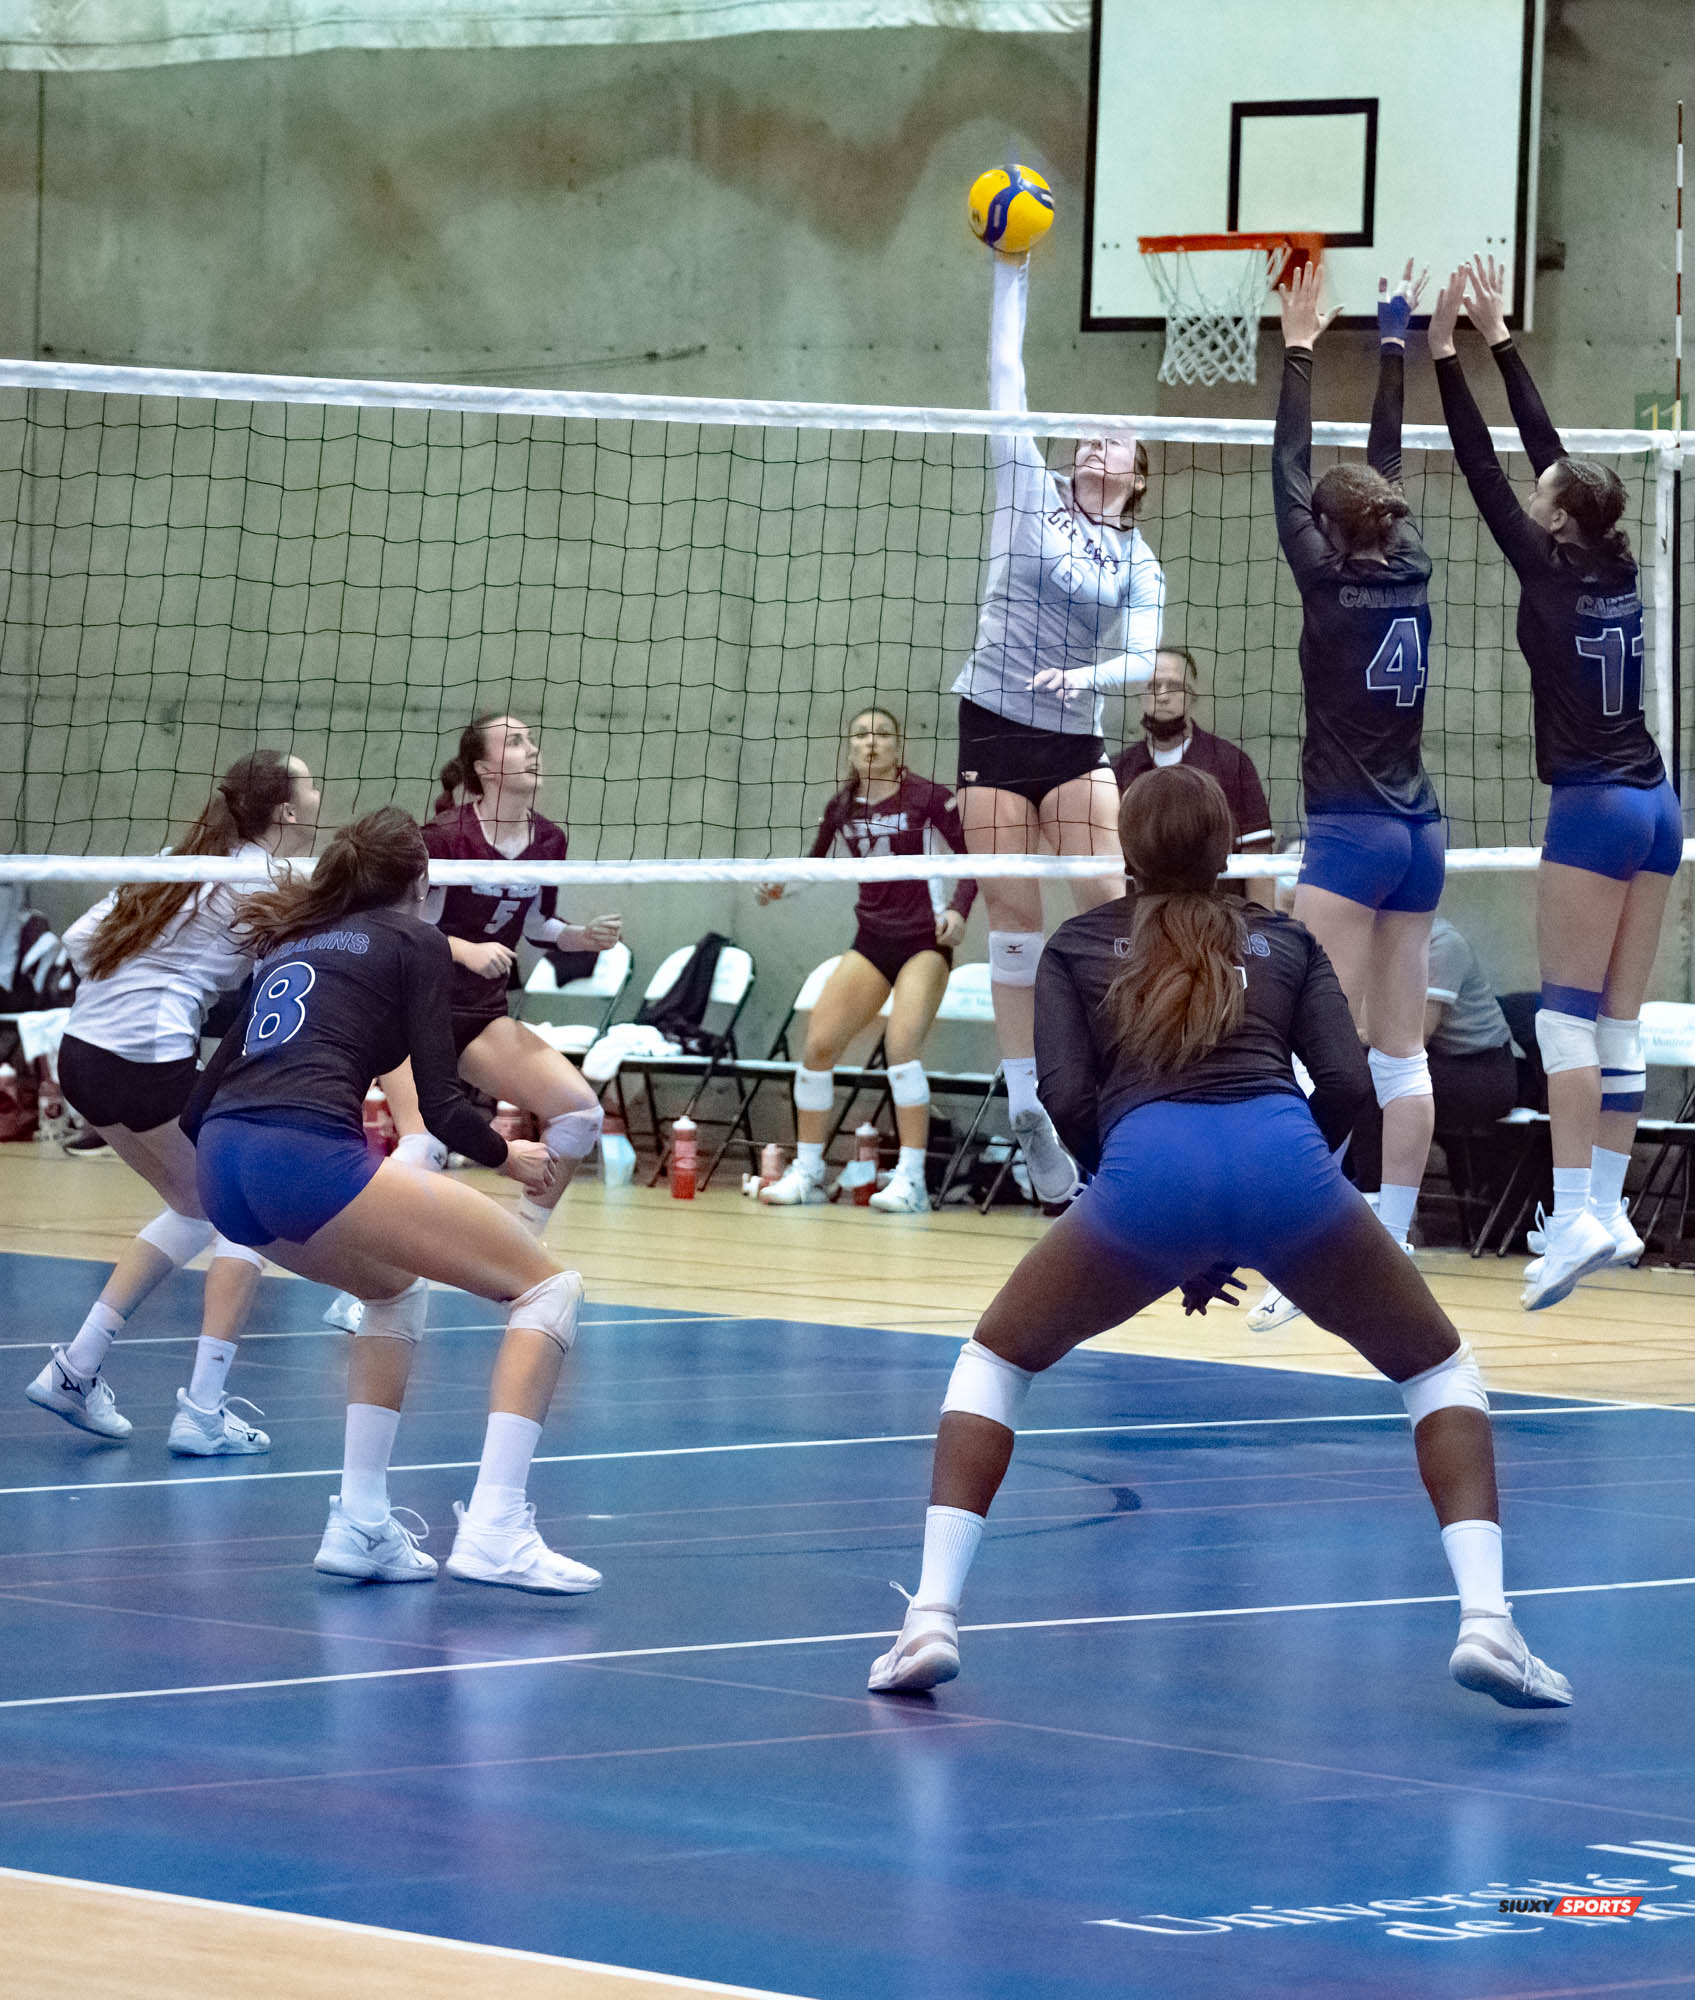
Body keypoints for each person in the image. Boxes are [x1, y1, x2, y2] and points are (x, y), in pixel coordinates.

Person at [865, 764, 1569, 1712]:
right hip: (1286, 1159)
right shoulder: (1283, 938)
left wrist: (1153, 1217)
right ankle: (1488, 1624)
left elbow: (1065, 1097)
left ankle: (930, 1623)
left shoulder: (1077, 944)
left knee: (995, 1360)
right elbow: (1351, 1088)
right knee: (1437, 1370)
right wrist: (1278, 1215)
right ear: (1229, 849)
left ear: (1123, 852)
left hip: (1144, 1170)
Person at [186, 806, 600, 1593]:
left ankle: (363, 1524)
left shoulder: (293, 943)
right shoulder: (414, 939)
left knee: (393, 1291)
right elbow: (442, 1106)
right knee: (548, 1289)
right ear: (423, 881)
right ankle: (495, 1529)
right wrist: (506, 1154)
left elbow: (197, 1104)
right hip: (299, 1155)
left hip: (221, 1165)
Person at [1428, 255, 1682, 1309]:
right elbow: (1546, 457)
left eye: (1545, 499)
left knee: (1566, 1023)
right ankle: (1611, 1205)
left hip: (1592, 805)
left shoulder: (1545, 563)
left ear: (1558, 521)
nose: (1533, 495)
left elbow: (1490, 459)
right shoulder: (1616, 562)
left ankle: (1575, 1205)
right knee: (1616, 1020)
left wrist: (1445, 353)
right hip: (1663, 805)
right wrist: (1504, 340)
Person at [22, 751, 319, 1455]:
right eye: (310, 785)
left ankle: (77, 1368)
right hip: (146, 1060)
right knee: (242, 1215)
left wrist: (160, 965)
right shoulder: (270, 881)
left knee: (195, 1205)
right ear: (285, 811)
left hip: (83, 1055)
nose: (317, 794)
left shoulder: (178, 858)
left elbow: (78, 938)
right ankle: (204, 1413)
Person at [1249, 258, 1441, 1333]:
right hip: (1422, 829)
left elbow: (1292, 463)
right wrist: (1398, 340)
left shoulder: (1326, 576)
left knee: (1312, 1046)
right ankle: (1395, 1235)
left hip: (1353, 835)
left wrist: (1302, 345)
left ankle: (1308, 1253)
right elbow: (1380, 466)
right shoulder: (1406, 562)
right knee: (1397, 1046)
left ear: (1326, 530)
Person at [951, 242, 1164, 1202]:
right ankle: (1030, 1106)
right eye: (1085, 434)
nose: (1091, 442)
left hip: (1074, 736)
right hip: (992, 720)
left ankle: (1124, 1086)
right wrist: (1012, 270)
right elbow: (1006, 377)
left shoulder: (1137, 560)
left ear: (1136, 472)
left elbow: (1144, 657)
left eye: (1110, 440)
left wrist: (1088, 675)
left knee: (1109, 908)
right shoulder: (1025, 489)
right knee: (1012, 922)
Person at [322, 713, 618, 1332]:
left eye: (532, 739)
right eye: (515, 741)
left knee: (580, 1114)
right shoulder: (444, 836)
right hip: (410, 1008)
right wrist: (464, 950)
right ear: (484, 769)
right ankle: (366, 1288)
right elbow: (407, 926)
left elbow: (537, 924)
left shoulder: (549, 841)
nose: (533, 749)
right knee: (424, 1140)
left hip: (481, 1014)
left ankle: (513, 1250)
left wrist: (579, 937)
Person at [756, 707, 976, 1212]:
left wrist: (959, 912)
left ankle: (911, 1178)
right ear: (849, 746)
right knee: (819, 1047)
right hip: (872, 939)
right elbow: (815, 866)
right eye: (861, 735)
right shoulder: (842, 806)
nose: (871, 742)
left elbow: (973, 861)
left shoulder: (930, 798)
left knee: (901, 1047)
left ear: (898, 745)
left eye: (881, 734)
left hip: (926, 939)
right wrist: (778, 888)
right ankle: (809, 1170)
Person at [1348, 914, 1519, 1215]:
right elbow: (1361, 1028)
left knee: (1372, 1074)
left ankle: (1376, 1201)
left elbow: (1417, 1034)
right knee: (1345, 1074)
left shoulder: (1442, 944)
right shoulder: (1374, 943)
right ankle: (1350, 1193)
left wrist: (1362, 1035)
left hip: (1483, 1071)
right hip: (1436, 1060)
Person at [1111, 644, 1276, 895]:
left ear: (1193, 697)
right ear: (1139, 695)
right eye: (1153, 686)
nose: (1163, 696)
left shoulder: (1232, 763)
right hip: (1140, 923)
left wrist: (1260, 932)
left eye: (1175, 686)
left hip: (1220, 921)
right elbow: (1107, 862)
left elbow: (1258, 857)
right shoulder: (1116, 771)